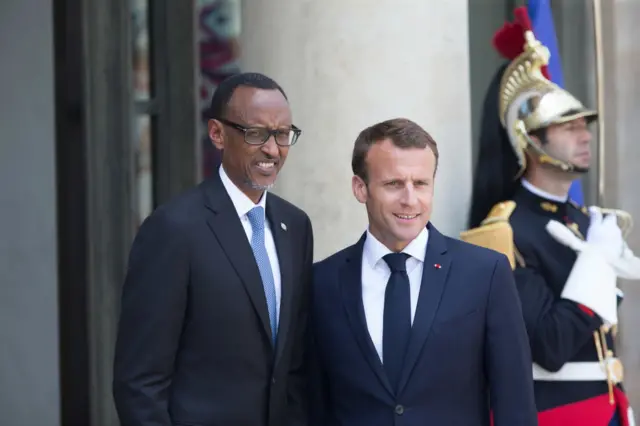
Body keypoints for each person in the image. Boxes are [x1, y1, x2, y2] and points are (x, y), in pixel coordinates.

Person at [462, 7, 640, 426]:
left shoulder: (584, 221)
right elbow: (550, 345)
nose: (585, 135)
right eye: (569, 126)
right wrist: (595, 261)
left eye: (585, 124)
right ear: (529, 140)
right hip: (557, 415)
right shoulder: (504, 231)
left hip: (610, 408)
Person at [113, 72, 313, 426]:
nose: (272, 148)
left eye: (282, 134)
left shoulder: (295, 226)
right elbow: (139, 383)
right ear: (218, 134)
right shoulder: (173, 229)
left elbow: (292, 365)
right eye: (256, 133)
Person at [310, 118, 538, 426]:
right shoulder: (321, 282)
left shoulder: (486, 273)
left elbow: (515, 404)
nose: (409, 199)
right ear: (360, 188)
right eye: (393, 184)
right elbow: (310, 402)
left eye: (420, 184)